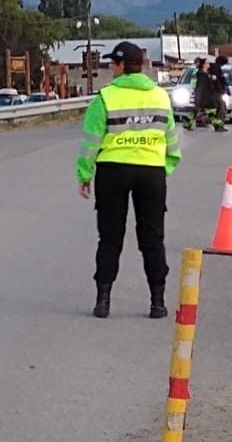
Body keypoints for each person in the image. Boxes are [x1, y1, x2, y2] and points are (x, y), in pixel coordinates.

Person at [77, 41, 182, 320]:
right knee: (153, 238)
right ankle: (157, 302)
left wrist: (84, 175)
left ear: (122, 66)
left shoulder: (105, 97)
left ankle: (103, 301)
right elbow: (172, 142)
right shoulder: (160, 97)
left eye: (113, 63)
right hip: (151, 171)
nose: (110, 67)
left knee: (110, 238)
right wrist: (163, 168)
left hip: (112, 171)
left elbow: (91, 142)